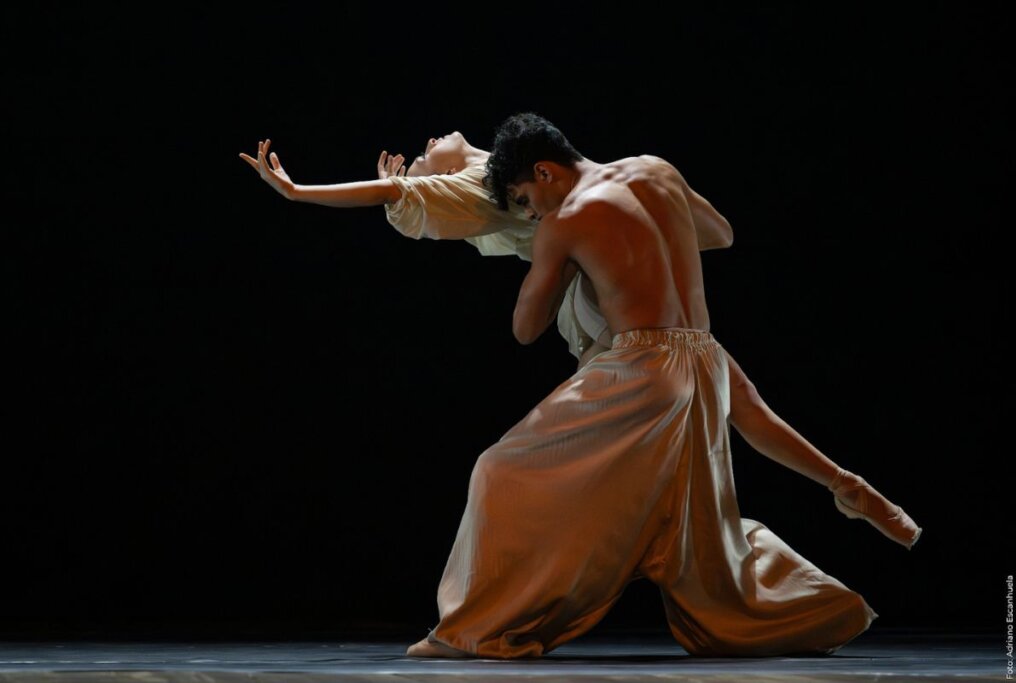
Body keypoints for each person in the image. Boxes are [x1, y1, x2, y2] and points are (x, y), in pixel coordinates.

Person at [239, 135, 922, 554]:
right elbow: (391, 187)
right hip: (614, 306)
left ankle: (840, 484)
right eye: (423, 155)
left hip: (616, 316)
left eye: (424, 149)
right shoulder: (487, 187)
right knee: (722, 393)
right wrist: (302, 191)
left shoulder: (536, 177)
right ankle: (839, 481)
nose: (425, 146)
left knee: (724, 394)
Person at [401, 112, 893, 658]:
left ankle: (473, 629)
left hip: (644, 364)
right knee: (691, 526)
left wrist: (561, 254)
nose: (529, 212)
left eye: (523, 199)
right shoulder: (656, 170)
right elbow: (719, 233)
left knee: (499, 471)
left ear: (545, 172)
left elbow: (524, 330)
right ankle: (829, 549)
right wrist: (634, 245)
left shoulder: (564, 219)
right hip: (702, 354)